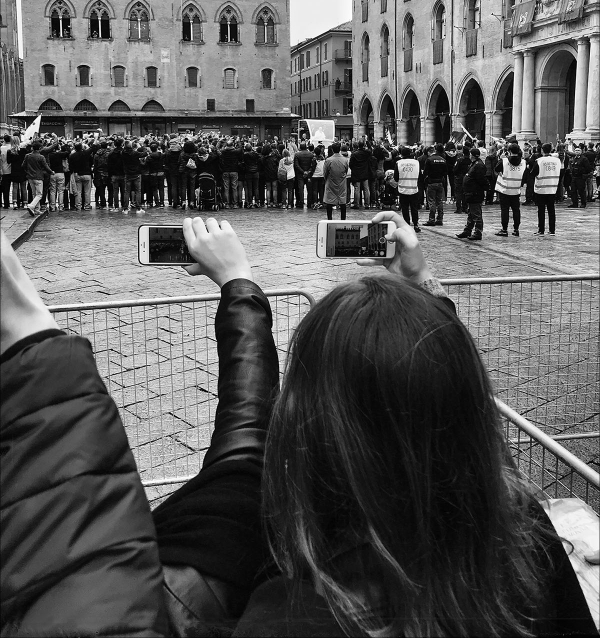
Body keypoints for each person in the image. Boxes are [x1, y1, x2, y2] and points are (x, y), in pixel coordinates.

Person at [2, 217, 597, 637]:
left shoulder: (288, 611)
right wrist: (420, 285)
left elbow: (244, 430)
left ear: (307, 419)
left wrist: (239, 285)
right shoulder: (522, 537)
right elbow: (440, 400)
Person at [494, 143, 526, 237]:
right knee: (516, 210)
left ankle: (504, 229)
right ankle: (516, 229)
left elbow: (496, 169)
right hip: (516, 190)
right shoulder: (523, 162)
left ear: (509, 151)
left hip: (505, 189)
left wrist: (502, 158)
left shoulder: (504, 161)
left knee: (505, 210)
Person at [530, 142, 561, 236]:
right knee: (551, 210)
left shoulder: (540, 160)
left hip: (541, 188)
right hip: (552, 187)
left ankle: (541, 229)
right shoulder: (557, 160)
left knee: (541, 210)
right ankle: (552, 230)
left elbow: (533, 173)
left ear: (542, 150)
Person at [456, 146, 487, 241]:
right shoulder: (475, 164)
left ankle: (478, 232)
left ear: (472, 155)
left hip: (475, 193)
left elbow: (481, 180)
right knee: (471, 213)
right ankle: (467, 230)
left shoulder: (478, 165)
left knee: (476, 213)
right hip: (471, 193)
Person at [22, 140, 55, 216]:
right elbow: (46, 166)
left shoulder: (27, 156)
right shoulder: (41, 157)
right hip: (38, 176)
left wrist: (27, 171)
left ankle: (36, 209)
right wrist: (51, 172)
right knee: (39, 194)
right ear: (39, 148)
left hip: (30, 177)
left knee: (34, 193)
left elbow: (23, 166)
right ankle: (32, 206)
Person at [394, 145, 421, 232]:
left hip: (403, 189)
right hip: (414, 188)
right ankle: (416, 224)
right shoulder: (416, 162)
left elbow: (396, 178)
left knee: (405, 208)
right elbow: (420, 176)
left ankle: (407, 224)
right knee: (414, 208)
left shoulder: (398, 163)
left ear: (401, 154)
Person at [423, 143, 448, 226]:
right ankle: (440, 218)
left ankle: (431, 219)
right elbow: (445, 172)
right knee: (439, 201)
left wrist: (426, 179)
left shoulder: (429, 159)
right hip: (440, 181)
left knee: (431, 201)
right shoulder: (442, 159)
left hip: (431, 182)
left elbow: (426, 172)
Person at [323, 141, 348, 220]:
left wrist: (327, 179)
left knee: (329, 202)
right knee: (342, 201)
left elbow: (325, 172)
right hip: (341, 182)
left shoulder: (328, 160)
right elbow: (346, 170)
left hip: (331, 182)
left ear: (333, 150)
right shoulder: (345, 160)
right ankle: (343, 219)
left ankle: (329, 219)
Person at [1, 134, 11, 208]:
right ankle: (7, 203)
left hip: (3, 169)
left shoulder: (1, 148)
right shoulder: (12, 147)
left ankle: (3, 203)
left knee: (3, 187)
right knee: (8, 187)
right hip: (11, 170)